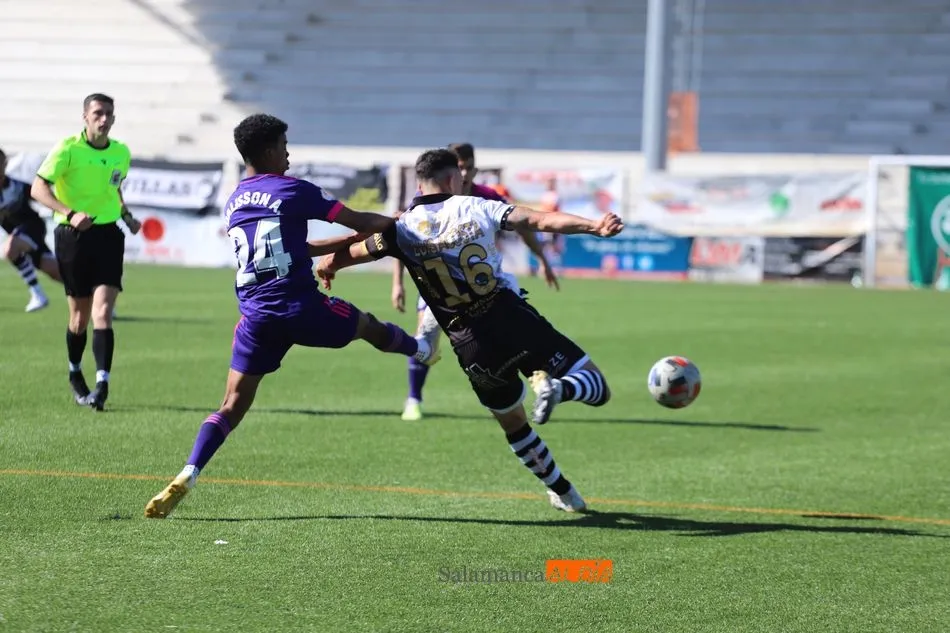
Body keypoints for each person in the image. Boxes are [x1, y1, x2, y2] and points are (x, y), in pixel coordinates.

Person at [144, 114, 439, 519]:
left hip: (256, 319)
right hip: (301, 307)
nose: (289, 154)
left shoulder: (235, 200)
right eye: (284, 146)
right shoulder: (293, 189)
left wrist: (343, 242)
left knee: (231, 405)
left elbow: (290, 247)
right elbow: (361, 220)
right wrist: (405, 224)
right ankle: (421, 350)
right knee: (366, 325)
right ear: (268, 151)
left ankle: (189, 471)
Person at [317, 149, 624, 512]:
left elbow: (356, 252)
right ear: (453, 179)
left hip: (470, 344)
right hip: (512, 319)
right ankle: (562, 388)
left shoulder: (402, 228)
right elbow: (538, 219)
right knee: (597, 386)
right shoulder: (478, 206)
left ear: (419, 184)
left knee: (514, 424)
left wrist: (330, 265)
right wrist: (594, 226)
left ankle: (564, 491)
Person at [392, 142, 560, 421]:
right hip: (439, 288)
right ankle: (413, 399)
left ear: (474, 169)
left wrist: (542, 259)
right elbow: (400, 238)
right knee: (425, 341)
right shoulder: (426, 201)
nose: (464, 173)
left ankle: (536, 382)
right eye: (459, 167)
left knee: (512, 330)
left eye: (468, 167)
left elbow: (522, 224)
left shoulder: (487, 197)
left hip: (486, 290)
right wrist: (398, 283)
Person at [30, 93, 142, 410]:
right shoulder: (68, 149)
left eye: (108, 114)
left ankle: (102, 384)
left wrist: (126, 215)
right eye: (97, 113)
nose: (103, 119)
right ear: (85, 116)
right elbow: (38, 188)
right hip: (73, 236)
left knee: (102, 311)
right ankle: (75, 372)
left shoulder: (120, 152)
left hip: (109, 235)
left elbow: (114, 187)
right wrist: (69, 213)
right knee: (79, 317)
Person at [0, 148, 63, 312]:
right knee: (57, 273)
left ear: (5, 164)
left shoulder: (17, 187)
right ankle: (97, 297)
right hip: (20, 237)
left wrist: (63, 211)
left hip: (33, 228)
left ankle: (38, 295)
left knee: (10, 248)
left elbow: (40, 195)